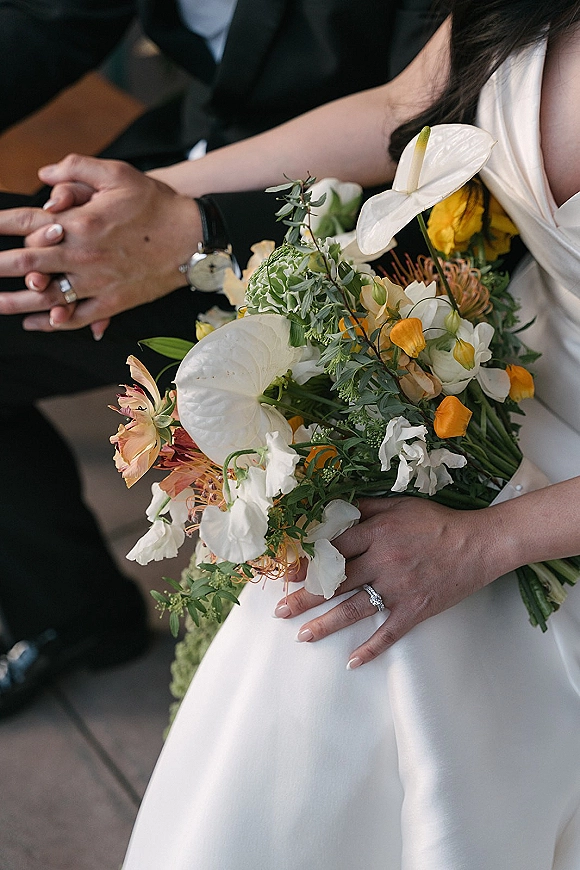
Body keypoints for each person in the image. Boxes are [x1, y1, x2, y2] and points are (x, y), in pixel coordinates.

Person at [3, 1, 580, 865]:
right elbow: (397, 110)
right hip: (508, 367)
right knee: (309, 609)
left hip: (543, 482)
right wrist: (162, 206)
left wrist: (486, 543)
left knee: (355, 653)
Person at [0, 0, 442, 717]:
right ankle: (75, 613)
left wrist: (185, 226)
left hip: (345, 236)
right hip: (199, 146)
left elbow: (421, 118)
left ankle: (78, 618)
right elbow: (53, 19)